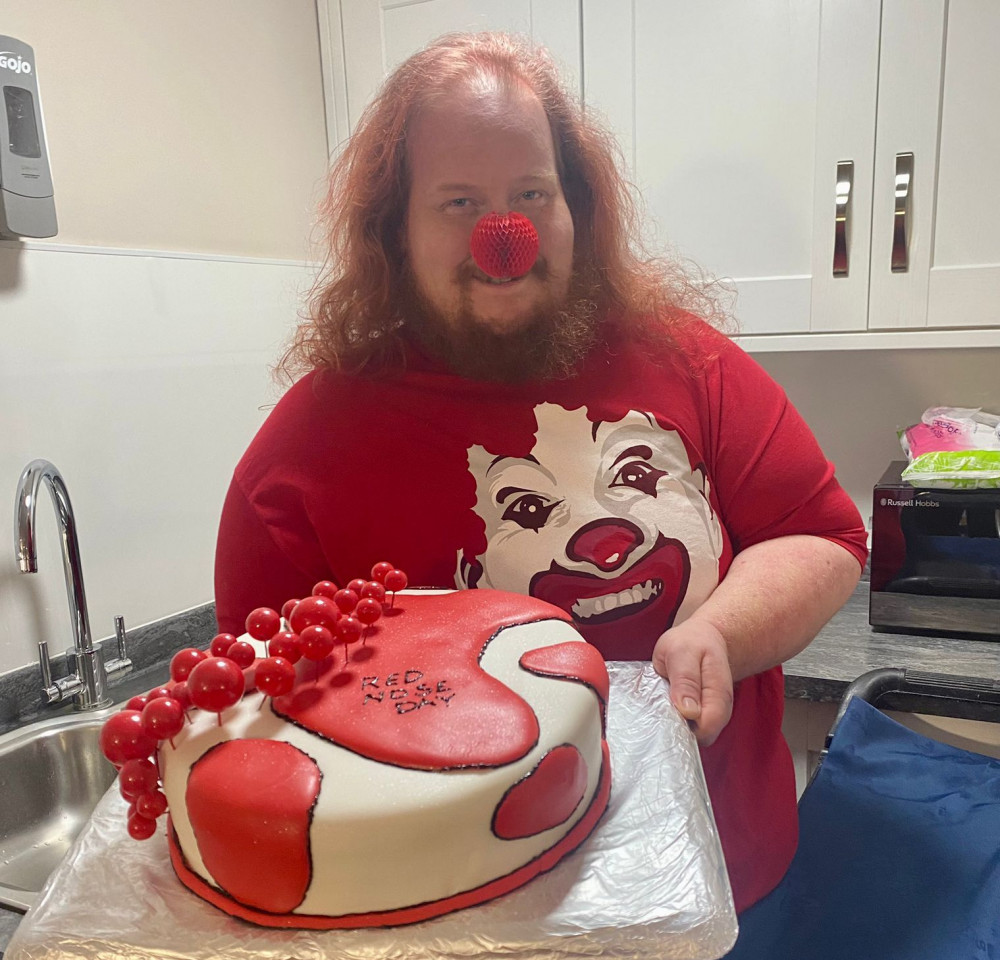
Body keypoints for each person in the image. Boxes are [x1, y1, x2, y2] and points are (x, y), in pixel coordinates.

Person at [214, 32, 867, 914]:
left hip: (720, 879)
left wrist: (721, 635)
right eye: (457, 202)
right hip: (462, 912)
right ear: (392, 231)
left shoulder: (689, 363)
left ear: (576, 208)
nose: (503, 234)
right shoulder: (303, 456)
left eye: (531, 193)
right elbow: (268, 719)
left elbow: (821, 534)